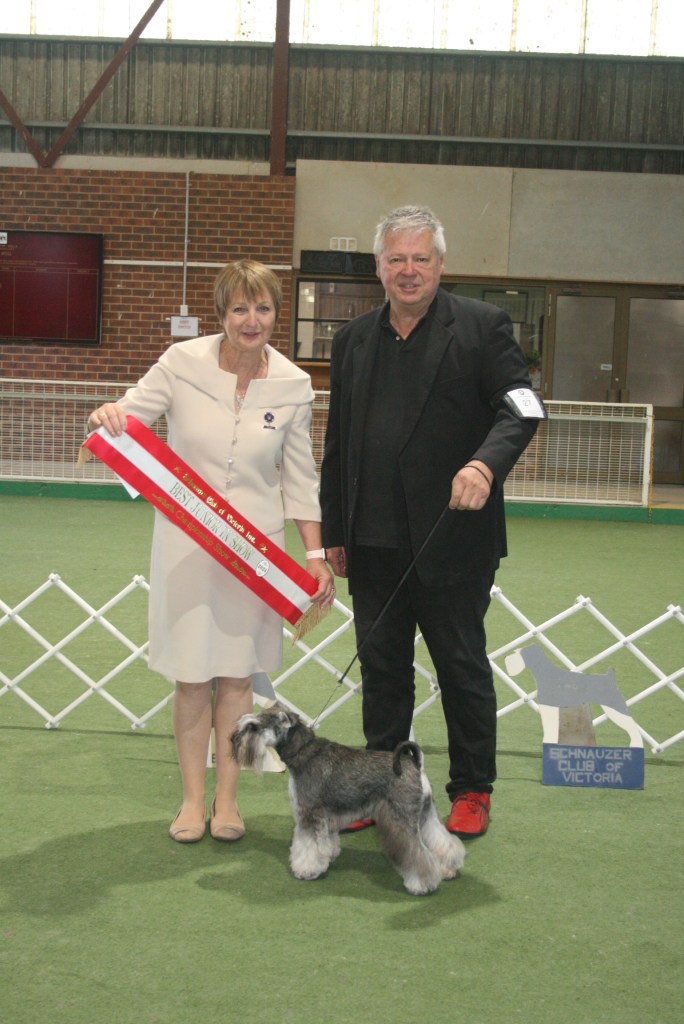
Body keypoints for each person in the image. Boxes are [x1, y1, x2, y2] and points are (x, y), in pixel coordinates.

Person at [87, 259, 334, 843]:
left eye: (264, 308)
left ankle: (228, 801)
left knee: (238, 680)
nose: (252, 320)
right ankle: (192, 801)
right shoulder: (180, 363)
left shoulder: (294, 384)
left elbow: (301, 477)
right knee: (193, 679)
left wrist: (315, 553)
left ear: (277, 314)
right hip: (187, 548)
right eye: (240, 308)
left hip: (256, 555)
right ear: (222, 313)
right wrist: (109, 414)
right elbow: (128, 415)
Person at [320, 206, 544, 839]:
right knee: (382, 674)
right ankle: (382, 788)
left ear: (441, 265)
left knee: (461, 668)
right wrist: (335, 529)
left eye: (421, 258)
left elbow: (523, 407)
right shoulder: (351, 340)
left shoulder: (482, 327)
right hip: (372, 541)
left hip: (454, 539)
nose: (409, 270)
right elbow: (337, 442)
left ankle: (472, 789)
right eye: (397, 259)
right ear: (379, 267)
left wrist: (485, 464)